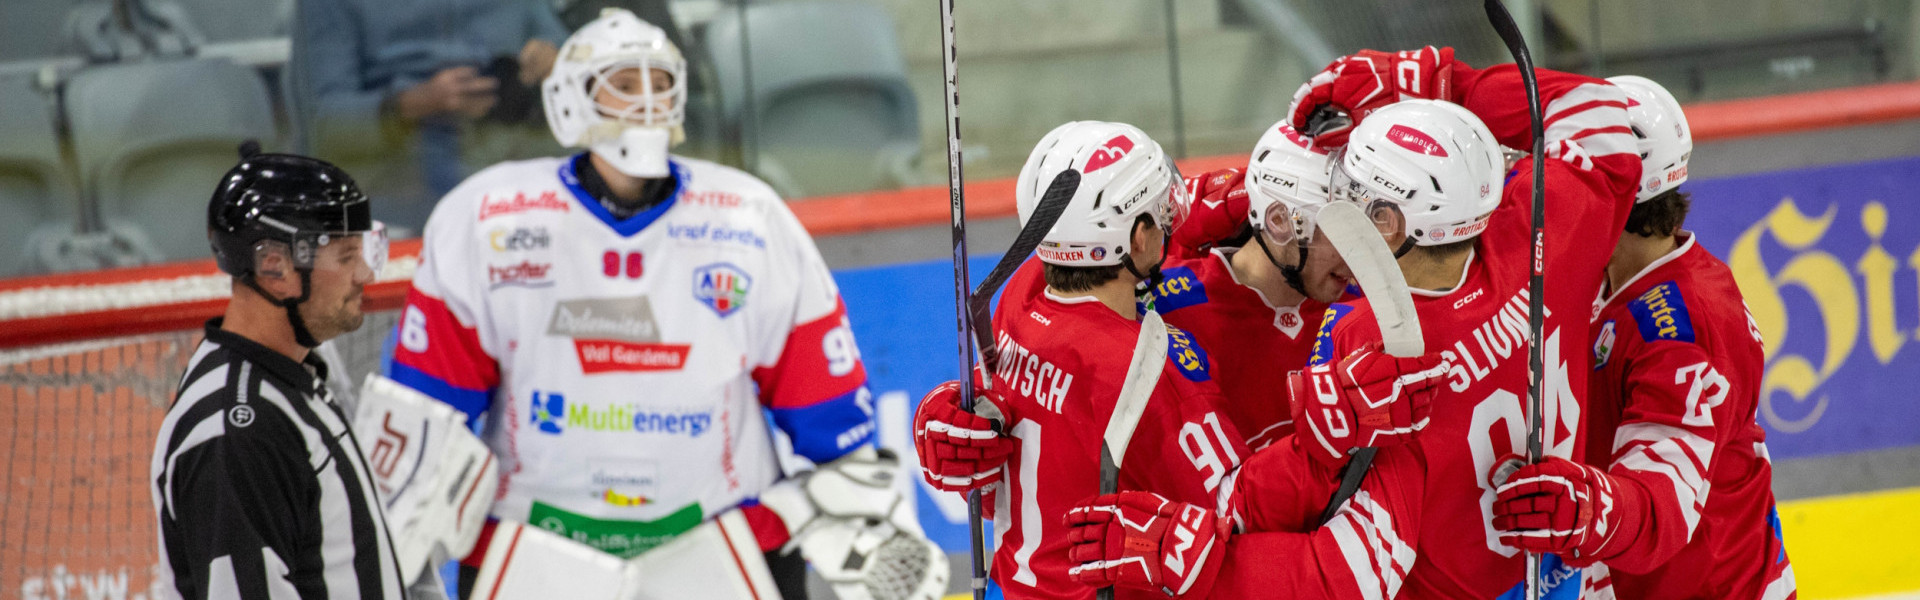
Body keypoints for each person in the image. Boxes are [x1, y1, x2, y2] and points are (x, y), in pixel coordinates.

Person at [1061, 49, 1645, 599]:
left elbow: (1355, 566)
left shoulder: (1376, 339)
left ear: (1388, 220)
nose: (1345, 225)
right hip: (1570, 575)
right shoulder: (1542, 234)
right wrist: (1438, 80)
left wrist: (1185, 552)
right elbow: (1597, 117)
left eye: (1352, 198)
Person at [386, 9, 879, 599]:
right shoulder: (486, 218)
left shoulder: (749, 216)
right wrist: (405, 557)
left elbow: (824, 402)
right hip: (533, 551)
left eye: (660, 83)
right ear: (572, 98)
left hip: (724, 545)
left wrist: (868, 519)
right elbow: (429, 414)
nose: (646, 101)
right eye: (622, 84)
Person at [1492, 75, 1797, 599]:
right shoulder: (1613, 276)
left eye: (1571, 180)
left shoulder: (1682, 328)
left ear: (1612, 195)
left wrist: (1587, 509)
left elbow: (1664, 499)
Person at [151, 147, 401, 600]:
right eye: (345, 257)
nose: (365, 273)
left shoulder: (290, 379)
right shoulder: (238, 433)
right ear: (275, 268)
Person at [292, 0, 571, 229]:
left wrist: (554, 60)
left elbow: (575, 59)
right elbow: (324, 126)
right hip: (400, 184)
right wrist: (411, 104)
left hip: (519, 171)